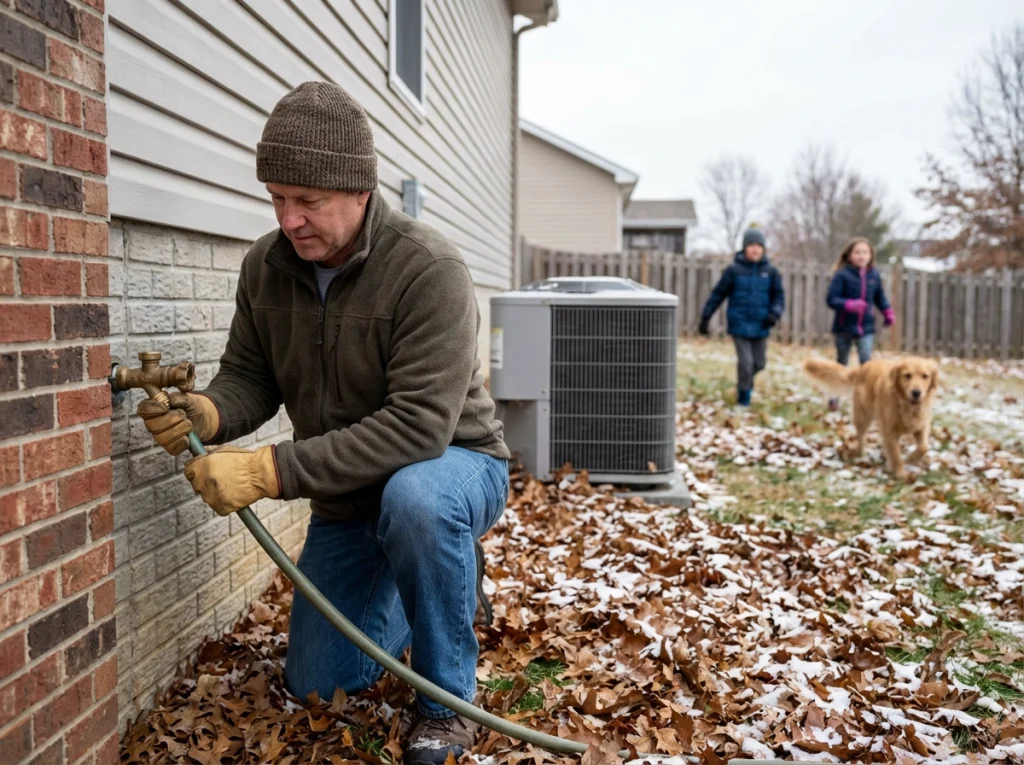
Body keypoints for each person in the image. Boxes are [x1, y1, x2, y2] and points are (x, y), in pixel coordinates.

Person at [135, 81, 511, 764]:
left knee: (417, 501)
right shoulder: (267, 267)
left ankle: (445, 703)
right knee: (319, 680)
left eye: (307, 201)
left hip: (453, 468)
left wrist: (266, 469)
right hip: (350, 500)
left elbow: (417, 430)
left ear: (360, 190)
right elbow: (251, 375)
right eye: (277, 198)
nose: (289, 219)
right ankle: (425, 577)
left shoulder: (429, 271)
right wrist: (209, 413)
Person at [698, 226, 785, 407]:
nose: (755, 249)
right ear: (744, 247)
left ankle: (744, 383)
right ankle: (743, 400)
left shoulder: (770, 272)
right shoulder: (734, 271)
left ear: (763, 249)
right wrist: (706, 317)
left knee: (759, 364)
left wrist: (774, 313)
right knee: (746, 363)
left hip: (762, 324)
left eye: (759, 246)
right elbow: (718, 294)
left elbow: (779, 296)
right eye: (751, 245)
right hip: (739, 323)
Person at [825, 237, 895, 411]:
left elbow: (880, 298)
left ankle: (865, 398)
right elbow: (831, 299)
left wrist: (887, 312)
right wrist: (849, 305)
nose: (861, 256)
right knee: (842, 363)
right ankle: (834, 396)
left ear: (871, 256)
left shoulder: (874, 276)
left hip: (866, 328)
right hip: (843, 327)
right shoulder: (842, 275)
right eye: (857, 252)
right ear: (849, 256)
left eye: (865, 252)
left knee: (866, 365)